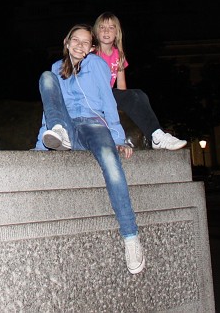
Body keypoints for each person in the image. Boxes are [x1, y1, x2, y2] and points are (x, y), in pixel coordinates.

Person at [34, 24, 146, 275]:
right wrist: (41, 144)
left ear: (92, 48)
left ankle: (130, 236)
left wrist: (119, 137)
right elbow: (49, 107)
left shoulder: (96, 65)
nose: (80, 45)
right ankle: (59, 134)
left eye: (86, 42)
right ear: (66, 41)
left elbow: (108, 99)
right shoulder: (56, 69)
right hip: (67, 126)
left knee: (109, 161)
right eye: (76, 40)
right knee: (45, 77)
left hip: (93, 125)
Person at [93, 12, 187, 151]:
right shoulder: (93, 53)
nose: (106, 31)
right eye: (102, 27)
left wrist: (126, 105)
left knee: (140, 94)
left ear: (117, 33)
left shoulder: (118, 55)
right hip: (97, 95)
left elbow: (121, 86)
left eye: (111, 27)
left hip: (111, 95)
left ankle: (157, 134)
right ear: (96, 31)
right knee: (133, 95)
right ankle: (156, 135)